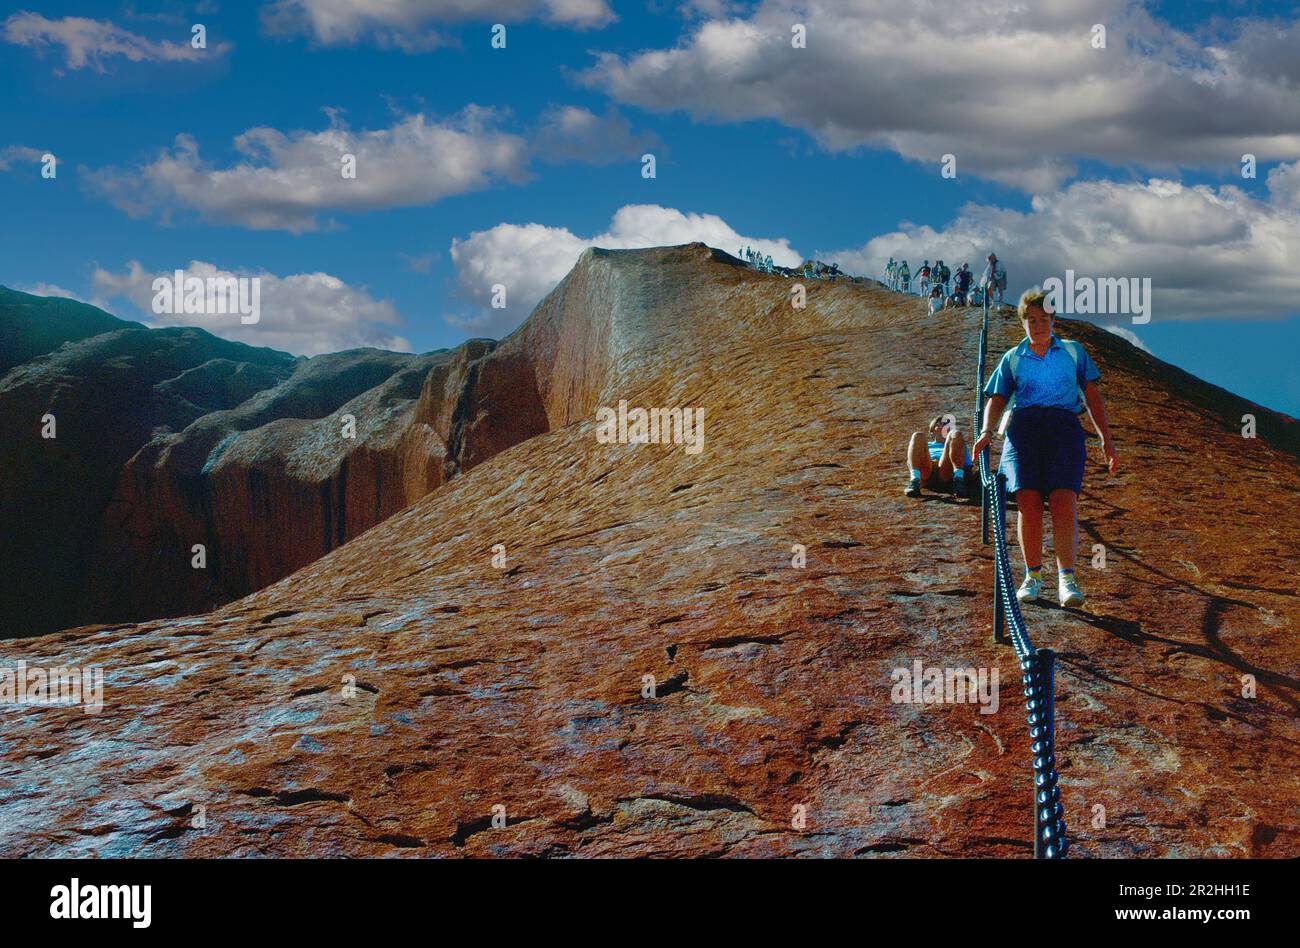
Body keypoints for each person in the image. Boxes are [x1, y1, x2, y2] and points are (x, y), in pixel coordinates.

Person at [971, 287, 1119, 607]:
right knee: (1028, 499)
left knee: (1063, 498)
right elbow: (996, 399)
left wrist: (1105, 438)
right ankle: (1033, 576)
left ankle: (1067, 578)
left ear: (1054, 321)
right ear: (1023, 322)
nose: (1039, 325)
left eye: (1045, 319)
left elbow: (1091, 395)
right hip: (1024, 429)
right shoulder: (1013, 358)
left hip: (1064, 427)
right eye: (1033, 320)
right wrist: (986, 432)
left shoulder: (1073, 352)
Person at [905, 414, 972, 498]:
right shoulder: (925, 444)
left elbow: (968, 466)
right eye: (940, 424)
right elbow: (910, 462)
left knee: (956, 434)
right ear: (932, 432)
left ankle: (958, 480)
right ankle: (914, 480)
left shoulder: (958, 443)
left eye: (947, 424)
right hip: (927, 469)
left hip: (946, 470)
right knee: (918, 435)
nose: (944, 426)